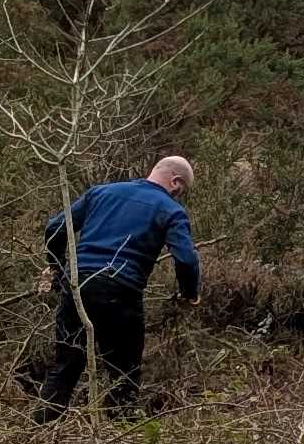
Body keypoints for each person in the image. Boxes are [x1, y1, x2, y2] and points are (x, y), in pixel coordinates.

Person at [37, 153, 202, 418]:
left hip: (78, 287)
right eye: (182, 191)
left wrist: (59, 271)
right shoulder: (170, 210)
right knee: (123, 376)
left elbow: (55, 229)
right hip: (120, 293)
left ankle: (39, 436)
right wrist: (189, 294)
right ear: (176, 182)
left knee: (65, 367)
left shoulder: (101, 192)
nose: (179, 196)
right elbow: (186, 258)